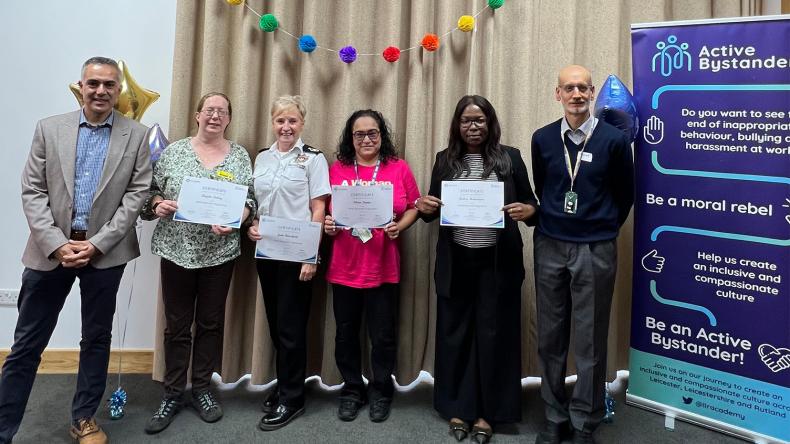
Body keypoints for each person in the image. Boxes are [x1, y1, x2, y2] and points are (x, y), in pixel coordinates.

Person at [0, 57, 152, 444]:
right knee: (27, 344)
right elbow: (33, 190)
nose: (101, 91)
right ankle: (3, 428)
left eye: (109, 84)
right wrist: (57, 244)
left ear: (118, 90)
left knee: (96, 338)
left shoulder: (136, 136)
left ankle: (83, 418)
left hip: (105, 254)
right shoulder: (49, 129)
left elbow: (136, 195)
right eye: (93, 83)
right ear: (81, 86)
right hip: (49, 253)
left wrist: (97, 243)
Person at [416, 95, 537, 444]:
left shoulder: (510, 157)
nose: (473, 127)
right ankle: (459, 407)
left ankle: (488, 412)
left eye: (479, 120)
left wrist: (528, 211)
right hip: (457, 262)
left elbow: (531, 203)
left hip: (497, 264)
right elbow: (432, 208)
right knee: (456, 334)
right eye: (466, 121)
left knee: (494, 336)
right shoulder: (445, 160)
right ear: (457, 125)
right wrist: (424, 207)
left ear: (490, 123)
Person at [141, 92, 256, 434]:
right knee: (176, 326)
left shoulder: (239, 156)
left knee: (210, 323)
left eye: (222, 111)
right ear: (197, 115)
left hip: (219, 254)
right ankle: (173, 392)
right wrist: (158, 205)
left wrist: (238, 219)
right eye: (209, 110)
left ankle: (203, 388)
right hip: (176, 250)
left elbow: (250, 200)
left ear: (229, 119)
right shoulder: (173, 152)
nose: (215, 116)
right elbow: (149, 192)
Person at [531, 65, 634, 444]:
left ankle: (583, 421)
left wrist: (599, 226)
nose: (576, 94)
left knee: (590, 338)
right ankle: (554, 415)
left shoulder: (614, 140)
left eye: (583, 88)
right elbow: (544, 186)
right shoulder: (542, 138)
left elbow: (625, 195)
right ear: (557, 94)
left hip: (595, 247)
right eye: (569, 88)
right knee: (550, 335)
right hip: (550, 243)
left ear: (592, 94)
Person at [323, 110, 420, 423]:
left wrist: (399, 227)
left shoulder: (398, 167)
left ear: (382, 135)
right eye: (359, 134)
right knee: (345, 334)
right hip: (344, 266)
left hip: (383, 266)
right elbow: (324, 211)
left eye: (372, 133)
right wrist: (328, 225)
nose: (366, 139)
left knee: (383, 335)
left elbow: (414, 206)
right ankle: (352, 389)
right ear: (350, 138)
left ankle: (381, 390)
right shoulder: (337, 168)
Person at [248, 95, 331, 431]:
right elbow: (258, 203)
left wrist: (312, 255)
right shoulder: (262, 158)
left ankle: (293, 399)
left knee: (292, 328)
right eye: (280, 120)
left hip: (298, 255)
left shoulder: (314, 159)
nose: (286, 127)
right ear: (272, 122)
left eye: (292, 121)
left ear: (302, 123)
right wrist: (253, 225)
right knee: (276, 324)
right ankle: (285, 384)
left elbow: (318, 209)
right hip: (267, 253)